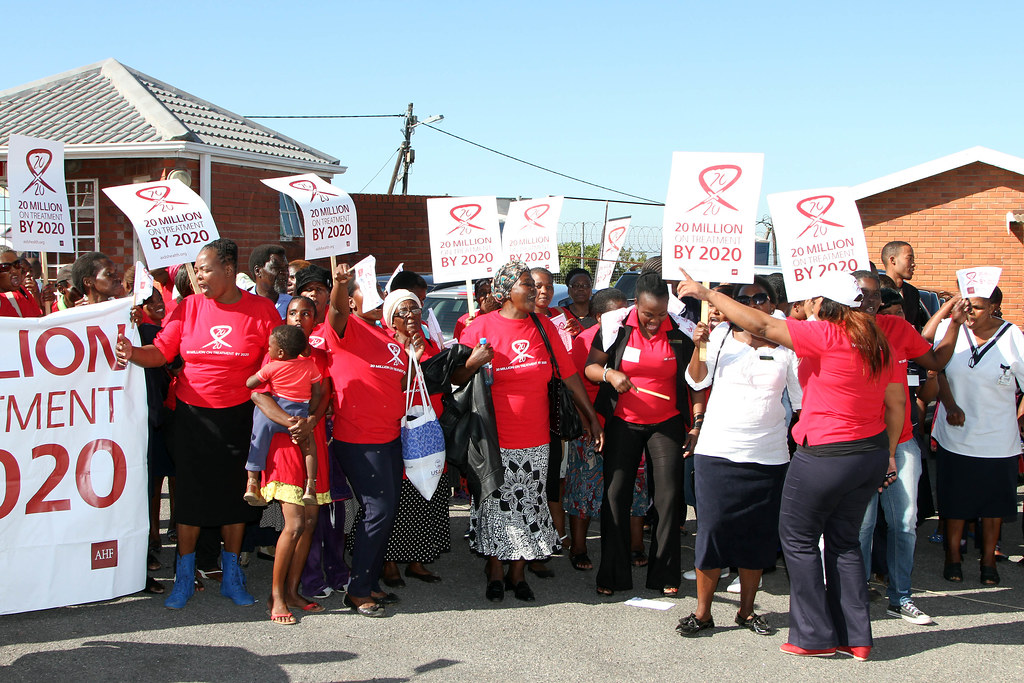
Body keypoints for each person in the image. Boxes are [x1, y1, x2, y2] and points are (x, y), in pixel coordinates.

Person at [677, 270, 904, 661]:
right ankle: (856, 639)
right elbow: (897, 401)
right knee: (845, 544)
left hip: (827, 454)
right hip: (868, 453)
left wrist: (704, 292)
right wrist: (888, 453)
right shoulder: (876, 340)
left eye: (814, 299)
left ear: (824, 305)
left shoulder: (826, 334)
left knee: (797, 542)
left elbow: (764, 324)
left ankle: (814, 637)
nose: (809, 304)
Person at [115, 238, 282, 610]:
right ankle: (183, 578)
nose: (200, 276)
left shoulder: (262, 311)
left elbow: (274, 364)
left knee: (234, 501)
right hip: (191, 418)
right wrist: (131, 353)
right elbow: (160, 353)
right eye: (198, 269)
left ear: (228, 268)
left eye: (206, 269)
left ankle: (232, 577)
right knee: (189, 500)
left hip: (240, 417)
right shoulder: (187, 307)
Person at [459, 260, 603, 602]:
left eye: (539, 286)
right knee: (495, 507)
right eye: (529, 284)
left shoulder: (544, 327)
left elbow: (568, 376)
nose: (537, 291)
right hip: (492, 440)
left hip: (536, 438)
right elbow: (456, 381)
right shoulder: (479, 327)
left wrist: (592, 418)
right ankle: (494, 571)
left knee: (528, 505)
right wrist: (471, 362)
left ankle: (518, 573)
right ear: (507, 291)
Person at [676, 277, 801, 637]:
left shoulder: (787, 343)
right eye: (744, 298)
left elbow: (801, 400)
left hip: (769, 456)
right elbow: (697, 382)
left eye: (760, 297)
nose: (752, 303)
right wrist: (699, 348)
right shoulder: (720, 336)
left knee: (757, 536)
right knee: (712, 532)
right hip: (718, 452)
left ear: (772, 304)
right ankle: (702, 613)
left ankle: (747, 612)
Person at [586, 272, 706, 598]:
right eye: (648, 314)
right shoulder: (615, 327)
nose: (654, 321)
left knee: (668, 499)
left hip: (665, 423)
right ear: (635, 304)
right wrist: (611, 374)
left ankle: (664, 573)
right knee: (615, 497)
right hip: (623, 422)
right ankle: (612, 573)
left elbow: (696, 383)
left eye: (661, 314)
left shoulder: (682, 333)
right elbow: (590, 368)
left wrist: (696, 422)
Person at [853, 271, 961, 625]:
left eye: (873, 295)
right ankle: (855, 599)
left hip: (901, 444)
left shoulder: (898, 328)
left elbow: (935, 362)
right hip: (860, 446)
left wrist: (954, 324)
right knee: (863, 526)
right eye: (860, 293)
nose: (867, 300)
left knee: (904, 523)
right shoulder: (837, 330)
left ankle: (900, 598)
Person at [321, 264, 407, 617]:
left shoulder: (388, 337)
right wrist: (340, 286)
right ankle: (357, 590)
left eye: (379, 292)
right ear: (354, 302)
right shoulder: (345, 327)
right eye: (365, 291)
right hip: (357, 438)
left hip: (390, 436)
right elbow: (337, 310)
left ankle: (368, 581)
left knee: (386, 512)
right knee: (378, 509)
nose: (376, 297)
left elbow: (400, 384)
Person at [932, 286, 1024, 587]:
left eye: (979, 307)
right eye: (967, 306)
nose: (970, 313)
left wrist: (1020, 419)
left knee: (994, 507)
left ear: (995, 307)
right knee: (956, 503)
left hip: (998, 439)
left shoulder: (1012, 337)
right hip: (957, 435)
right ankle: (952, 557)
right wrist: (950, 405)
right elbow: (938, 371)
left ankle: (987, 561)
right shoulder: (951, 328)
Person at [251, 299, 333, 624]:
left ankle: (294, 590)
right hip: (285, 443)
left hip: (312, 444)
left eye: (306, 313)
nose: (299, 318)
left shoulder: (321, 357)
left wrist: (311, 421)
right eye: (292, 313)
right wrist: (291, 422)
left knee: (310, 523)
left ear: (316, 319)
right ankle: (277, 597)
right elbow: (259, 396)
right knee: (295, 523)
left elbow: (324, 395)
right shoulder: (274, 355)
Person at [563, 288, 650, 571]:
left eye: (627, 310)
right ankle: (578, 547)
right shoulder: (585, 341)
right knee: (585, 487)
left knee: (635, 487)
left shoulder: (633, 336)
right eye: (618, 312)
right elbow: (576, 388)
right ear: (599, 316)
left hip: (628, 425)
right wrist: (589, 422)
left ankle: (636, 545)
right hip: (592, 427)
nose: (625, 316)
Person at [379, 289, 458, 587]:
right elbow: (393, 384)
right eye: (403, 311)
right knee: (398, 496)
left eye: (415, 310)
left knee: (425, 491)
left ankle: (417, 559)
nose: (411, 316)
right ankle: (388, 563)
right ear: (391, 319)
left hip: (428, 429)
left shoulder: (430, 341)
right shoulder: (386, 345)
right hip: (398, 428)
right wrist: (411, 358)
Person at [531, 266, 583, 558]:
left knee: (554, 472)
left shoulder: (562, 319)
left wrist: (577, 335)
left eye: (549, 286)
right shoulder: (520, 320)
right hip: (526, 410)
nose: (544, 291)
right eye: (537, 285)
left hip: (556, 407)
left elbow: (573, 364)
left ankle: (556, 531)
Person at [243, 325, 321, 508]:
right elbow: (317, 393)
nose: (267, 349)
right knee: (308, 446)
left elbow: (250, 384)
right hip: (298, 413)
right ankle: (310, 485)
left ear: (279, 352)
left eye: (270, 347)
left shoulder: (272, 366)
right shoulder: (310, 365)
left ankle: (252, 482)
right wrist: (311, 411)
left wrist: (259, 375)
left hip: (274, 411)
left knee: (258, 441)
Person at [881, 241, 920, 327]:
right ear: (893, 260)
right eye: (909, 259)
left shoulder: (912, 292)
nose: (913, 264)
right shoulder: (877, 291)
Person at [246, 244, 292, 318]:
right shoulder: (243, 304)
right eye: (276, 268)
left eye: (286, 268)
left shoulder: (292, 305)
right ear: (258, 271)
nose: (284, 272)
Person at [0, 248, 43, 317]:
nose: (14, 271)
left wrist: (38, 296)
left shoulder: (22, 292)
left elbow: (37, 322)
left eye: (17, 264)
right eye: (5, 267)